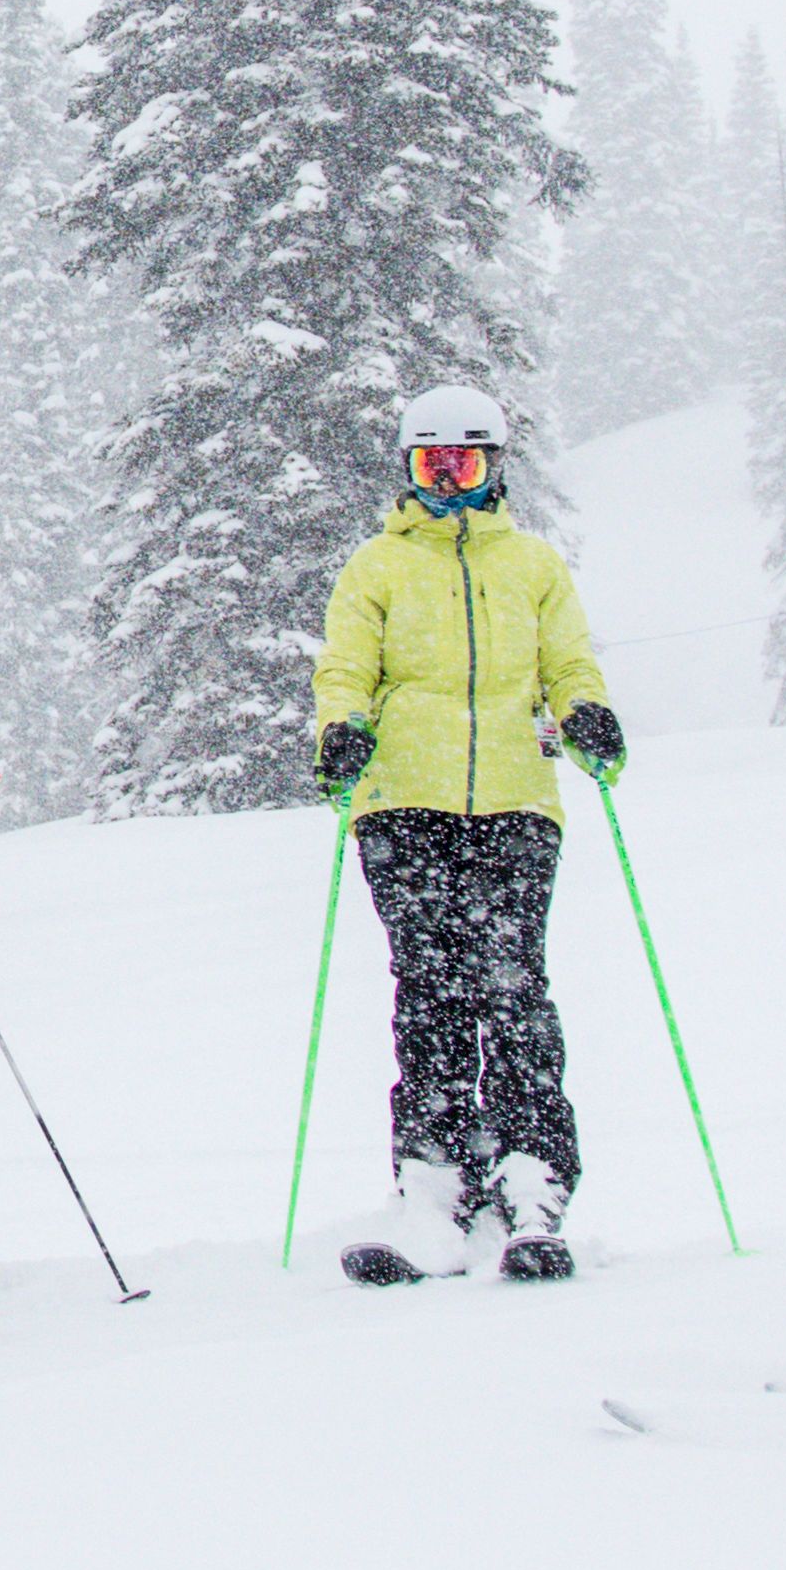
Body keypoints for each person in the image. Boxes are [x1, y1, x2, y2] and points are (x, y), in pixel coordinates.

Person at [308, 380, 626, 1284]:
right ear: (407, 471)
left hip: (516, 805)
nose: (447, 480)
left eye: (466, 461)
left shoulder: (531, 564)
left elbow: (567, 657)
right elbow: (344, 667)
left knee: (512, 986)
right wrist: (340, 728)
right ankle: (432, 1187)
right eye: (429, 463)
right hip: (403, 803)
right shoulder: (376, 565)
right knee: (431, 990)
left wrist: (587, 710)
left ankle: (532, 1179)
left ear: (494, 470)